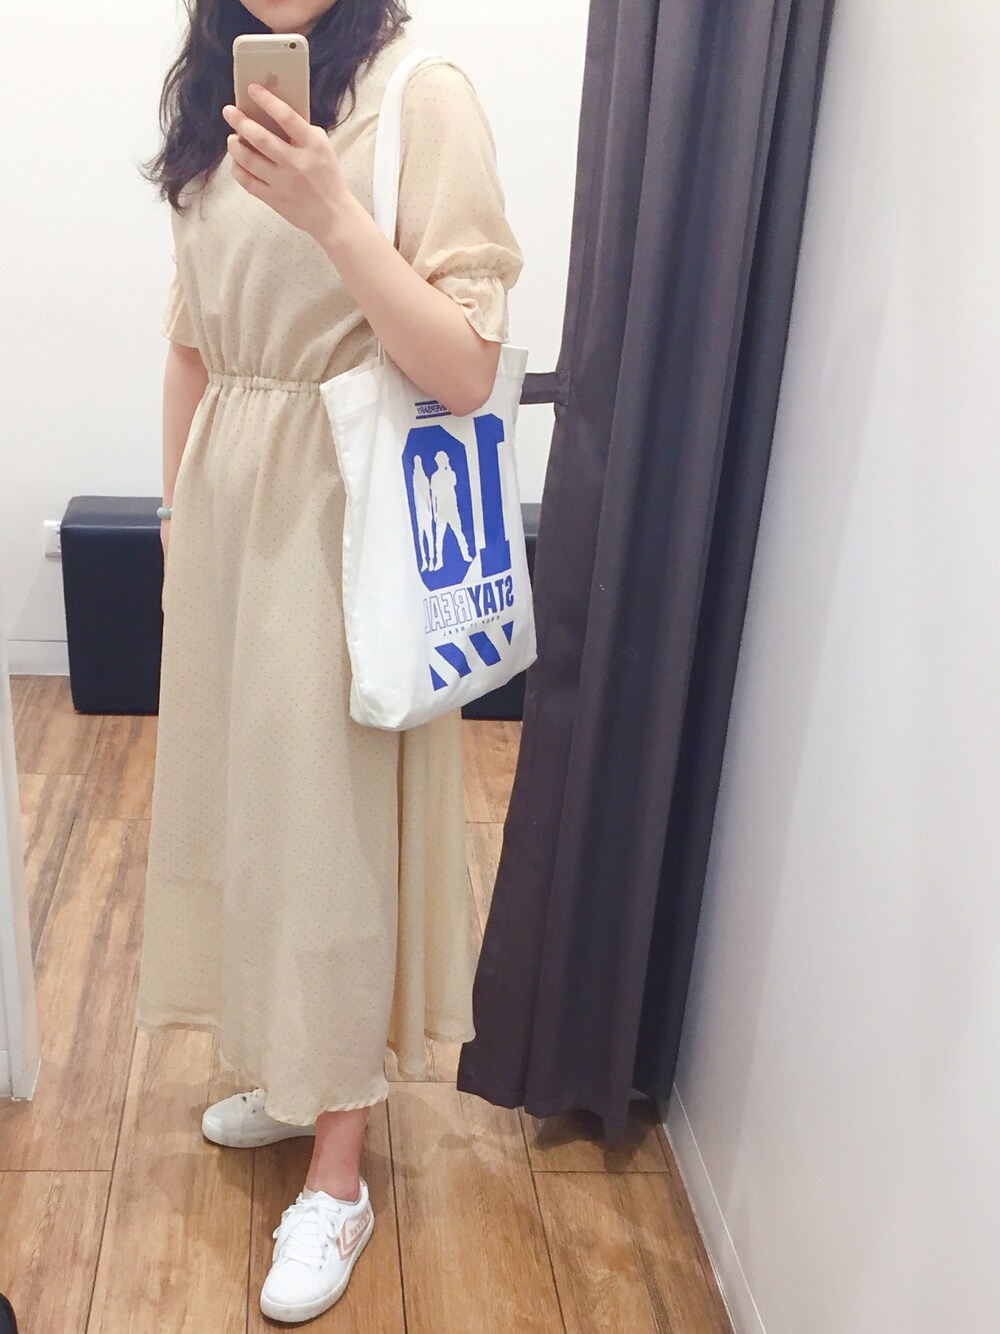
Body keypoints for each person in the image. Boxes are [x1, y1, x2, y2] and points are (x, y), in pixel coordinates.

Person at [134, 0, 523, 1323]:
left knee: (333, 831)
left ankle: (340, 1171)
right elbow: (191, 336)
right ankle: (294, 1064)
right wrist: (178, 521)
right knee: (253, 813)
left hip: (345, 514)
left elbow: (467, 368)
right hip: (229, 503)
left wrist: (332, 214)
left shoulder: (423, 94)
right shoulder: (212, 89)